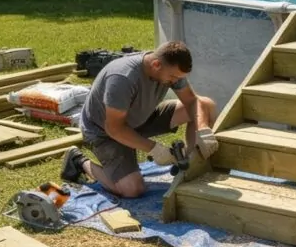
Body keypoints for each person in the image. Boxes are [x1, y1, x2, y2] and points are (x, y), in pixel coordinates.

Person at [60, 40, 218, 197]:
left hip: (140, 117)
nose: (176, 82)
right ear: (156, 64)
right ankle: (78, 161)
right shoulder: (122, 78)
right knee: (132, 189)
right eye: (173, 77)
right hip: (104, 132)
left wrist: (203, 129)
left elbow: (192, 101)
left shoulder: (169, 69)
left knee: (206, 105)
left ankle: (190, 164)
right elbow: (114, 128)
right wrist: (154, 149)